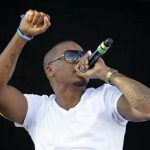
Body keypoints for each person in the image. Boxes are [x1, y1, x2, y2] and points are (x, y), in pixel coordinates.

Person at [0, 9, 150, 150]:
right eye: (72, 56)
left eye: (84, 55)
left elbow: (147, 108)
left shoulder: (106, 97)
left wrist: (105, 72)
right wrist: (22, 35)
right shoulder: (38, 110)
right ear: (50, 70)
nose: (82, 60)